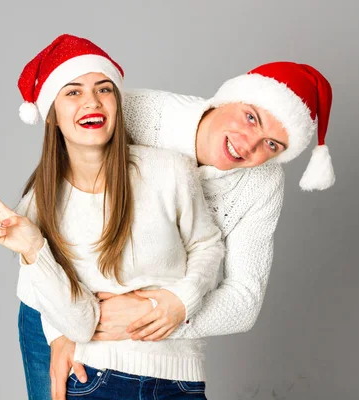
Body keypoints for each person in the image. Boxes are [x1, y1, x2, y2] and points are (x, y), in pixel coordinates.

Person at [40, 62, 335, 400]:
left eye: (272, 145)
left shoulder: (263, 183)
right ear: (229, 98)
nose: (249, 144)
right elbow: (48, 208)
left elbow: (244, 300)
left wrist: (168, 309)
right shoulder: (139, 111)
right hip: (59, 309)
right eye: (251, 117)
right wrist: (61, 331)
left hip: (163, 358)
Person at [0, 34, 224, 399]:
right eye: (72, 92)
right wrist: (34, 250)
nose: (92, 102)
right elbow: (78, 323)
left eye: (103, 89)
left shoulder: (169, 171)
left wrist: (183, 300)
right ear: (51, 116)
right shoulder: (37, 207)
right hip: (96, 380)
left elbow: (208, 245)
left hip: (179, 380)